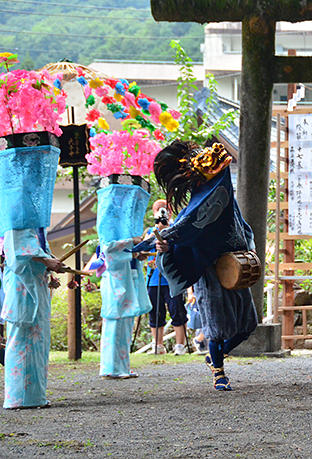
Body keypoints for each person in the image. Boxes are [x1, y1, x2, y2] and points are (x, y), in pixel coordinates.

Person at [133, 140, 258, 391]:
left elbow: (241, 226)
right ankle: (219, 373)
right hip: (208, 271)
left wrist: (249, 244)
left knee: (249, 324)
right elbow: (182, 231)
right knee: (215, 326)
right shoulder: (194, 207)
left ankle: (214, 356)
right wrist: (163, 245)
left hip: (233, 265)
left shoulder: (226, 199)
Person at [93, 175, 152, 380]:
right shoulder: (108, 222)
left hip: (129, 272)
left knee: (126, 319)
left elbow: (127, 250)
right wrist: (131, 242)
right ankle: (110, 367)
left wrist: (138, 252)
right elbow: (108, 249)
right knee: (115, 320)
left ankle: (123, 366)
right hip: (116, 275)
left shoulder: (126, 225)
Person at [2, 229, 64, 407]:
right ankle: (18, 398)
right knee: (22, 341)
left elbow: (38, 249)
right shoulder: (17, 221)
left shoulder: (37, 226)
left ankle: (35, 396)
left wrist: (51, 262)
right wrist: (45, 260)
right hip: (23, 288)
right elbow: (17, 253)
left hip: (38, 284)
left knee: (38, 343)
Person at [144, 200, 188, 356]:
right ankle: (157, 345)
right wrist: (156, 230)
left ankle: (180, 345)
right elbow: (145, 247)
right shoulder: (150, 231)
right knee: (155, 311)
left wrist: (167, 229)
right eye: (157, 210)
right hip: (154, 278)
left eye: (164, 209)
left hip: (172, 278)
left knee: (177, 310)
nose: (161, 212)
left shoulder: (176, 228)